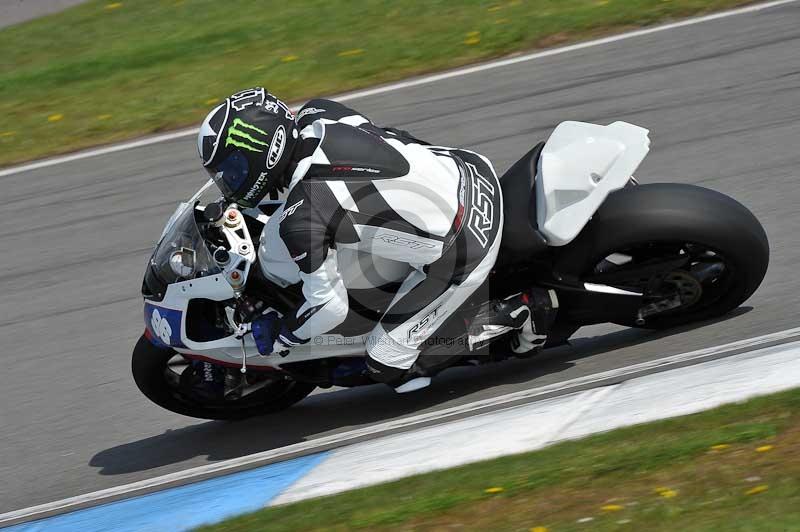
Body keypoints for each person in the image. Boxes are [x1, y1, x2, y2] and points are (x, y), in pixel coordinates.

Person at [197, 87, 555, 393]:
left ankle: (513, 313)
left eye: (234, 170)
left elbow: (328, 308)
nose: (229, 182)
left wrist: (283, 334)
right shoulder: (318, 113)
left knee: (388, 361)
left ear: (264, 153)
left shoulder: (304, 214)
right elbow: (386, 138)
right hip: (465, 169)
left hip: (465, 242)